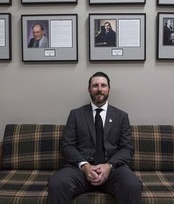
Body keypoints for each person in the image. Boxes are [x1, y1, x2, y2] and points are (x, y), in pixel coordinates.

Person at [47, 72, 142, 204]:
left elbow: (127, 149)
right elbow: (67, 146)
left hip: (113, 170)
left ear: (109, 89)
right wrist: (85, 166)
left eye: (103, 85)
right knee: (56, 183)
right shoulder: (76, 115)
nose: (99, 89)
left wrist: (108, 166)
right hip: (80, 171)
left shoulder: (121, 116)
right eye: (95, 85)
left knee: (133, 185)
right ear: (89, 90)